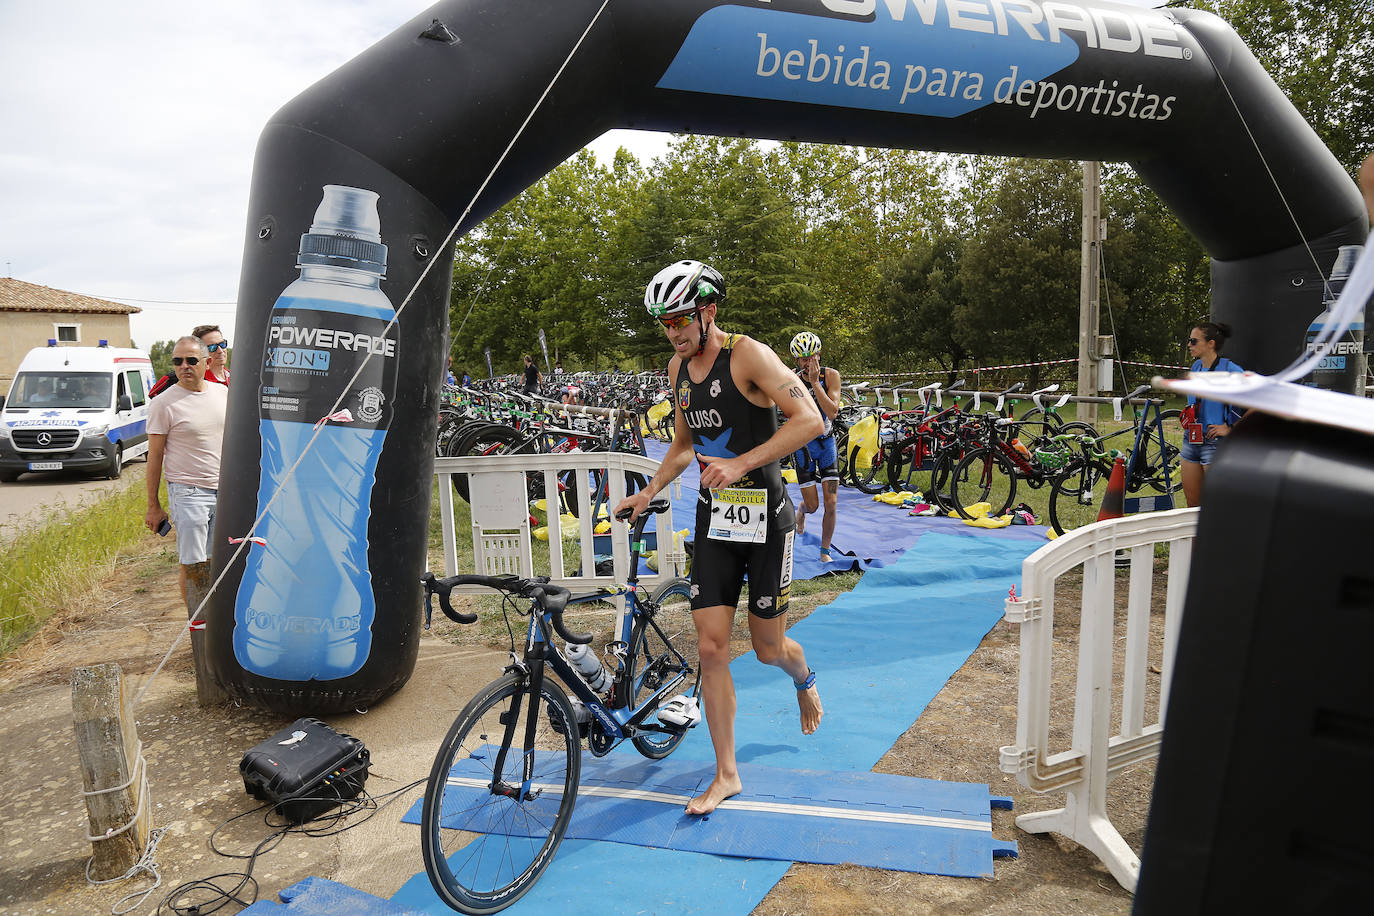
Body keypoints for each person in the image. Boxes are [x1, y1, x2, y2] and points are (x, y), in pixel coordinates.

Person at [615, 259, 824, 816]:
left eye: (681, 319)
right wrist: (650, 488)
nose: (674, 332)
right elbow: (684, 444)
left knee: (766, 648)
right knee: (710, 647)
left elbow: (810, 423)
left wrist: (742, 464)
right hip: (716, 520)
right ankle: (726, 773)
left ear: (709, 311)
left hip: (766, 519)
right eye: (665, 323)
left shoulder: (748, 354)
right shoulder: (677, 369)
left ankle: (803, 677)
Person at [145, 336, 229, 614]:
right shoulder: (164, 404)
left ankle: (219, 627)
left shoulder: (224, 394)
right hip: (189, 493)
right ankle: (200, 630)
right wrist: (153, 506)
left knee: (222, 561)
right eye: (177, 361)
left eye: (191, 360)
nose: (184, 366)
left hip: (226, 492)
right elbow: (154, 457)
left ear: (206, 362)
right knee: (195, 565)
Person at [788, 331, 841, 563]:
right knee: (813, 505)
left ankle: (824, 551)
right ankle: (802, 510)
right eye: (803, 359)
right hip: (804, 447)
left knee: (831, 502)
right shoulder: (790, 378)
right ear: (797, 361)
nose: (808, 362)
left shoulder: (831, 376)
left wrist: (814, 383)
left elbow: (832, 411)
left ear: (819, 355)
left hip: (826, 442)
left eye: (812, 356)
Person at [1181, 321, 1244, 507]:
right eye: (1189, 341)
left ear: (1211, 344)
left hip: (1214, 442)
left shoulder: (1228, 369)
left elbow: (1258, 401)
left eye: (1194, 341)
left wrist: (1230, 428)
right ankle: (1196, 538)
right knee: (1192, 506)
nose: (1189, 345)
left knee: (1217, 505)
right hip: (1192, 439)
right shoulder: (1196, 368)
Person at [150, 325, 229, 396]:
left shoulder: (236, 378)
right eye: (212, 347)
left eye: (222, 344)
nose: (220, 351)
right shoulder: (177, 379)